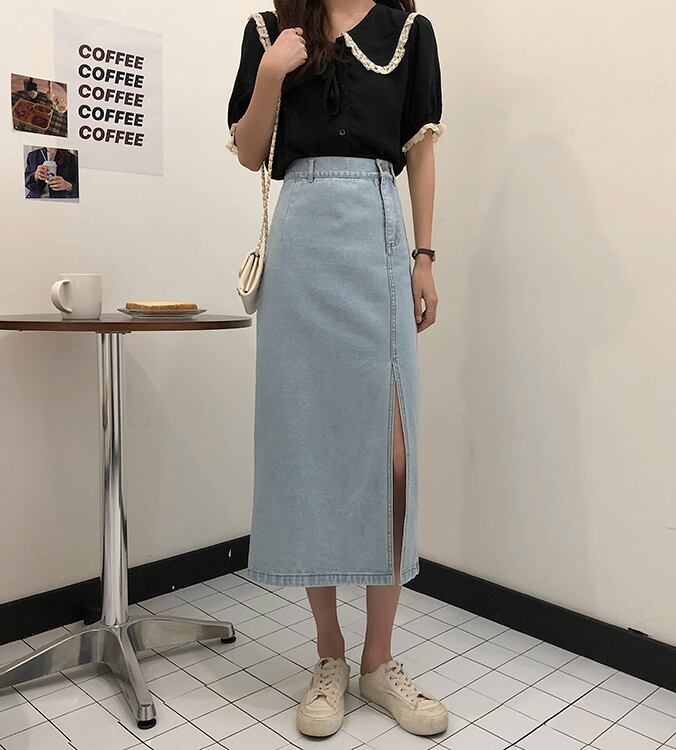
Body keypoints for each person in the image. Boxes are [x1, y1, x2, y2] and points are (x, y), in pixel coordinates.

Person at [227, 0, 446, 737]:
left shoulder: (409, 33)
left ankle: (379, 660)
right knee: (307, 444)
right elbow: (250, 153)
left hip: (378, 234)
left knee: (392, 454)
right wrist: (269, 75)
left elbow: (420, 151)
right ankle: (330, 655)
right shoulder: (270, 29)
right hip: (303, 240)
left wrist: (424, 256)